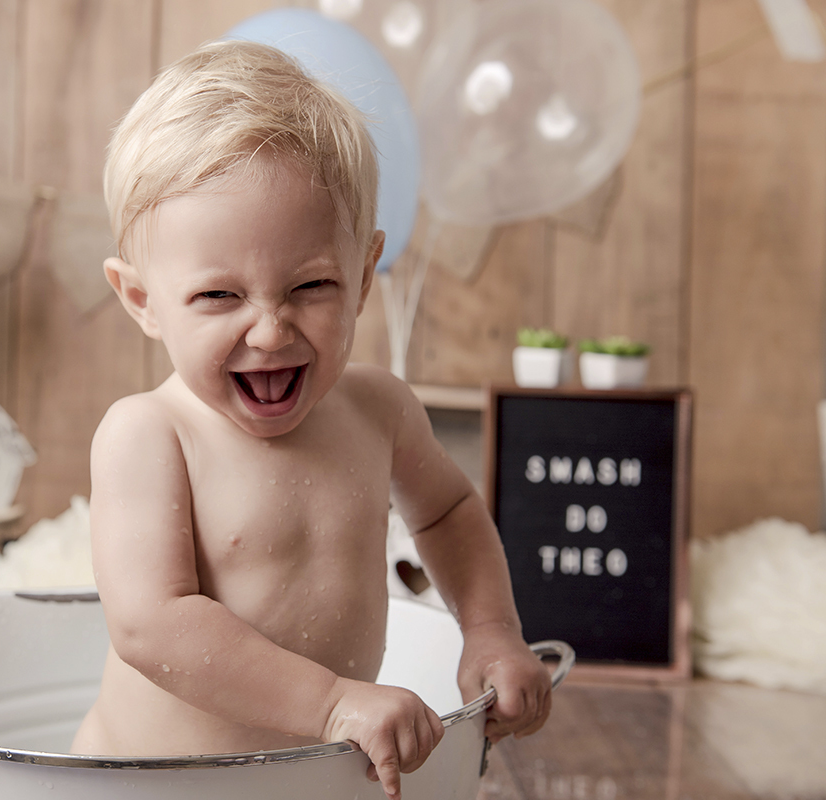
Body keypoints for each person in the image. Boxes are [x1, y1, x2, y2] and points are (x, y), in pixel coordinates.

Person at [70, 39, 552, 800]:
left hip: (322, 780)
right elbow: (150, 625)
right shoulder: (149, 435)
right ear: (142, 300)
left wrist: (491, 631)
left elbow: (449, 511)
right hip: (152, 787)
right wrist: (331, 702)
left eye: (311, 286)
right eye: (219, 296)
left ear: (362, 276)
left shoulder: (378, 409)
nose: (270, 331)